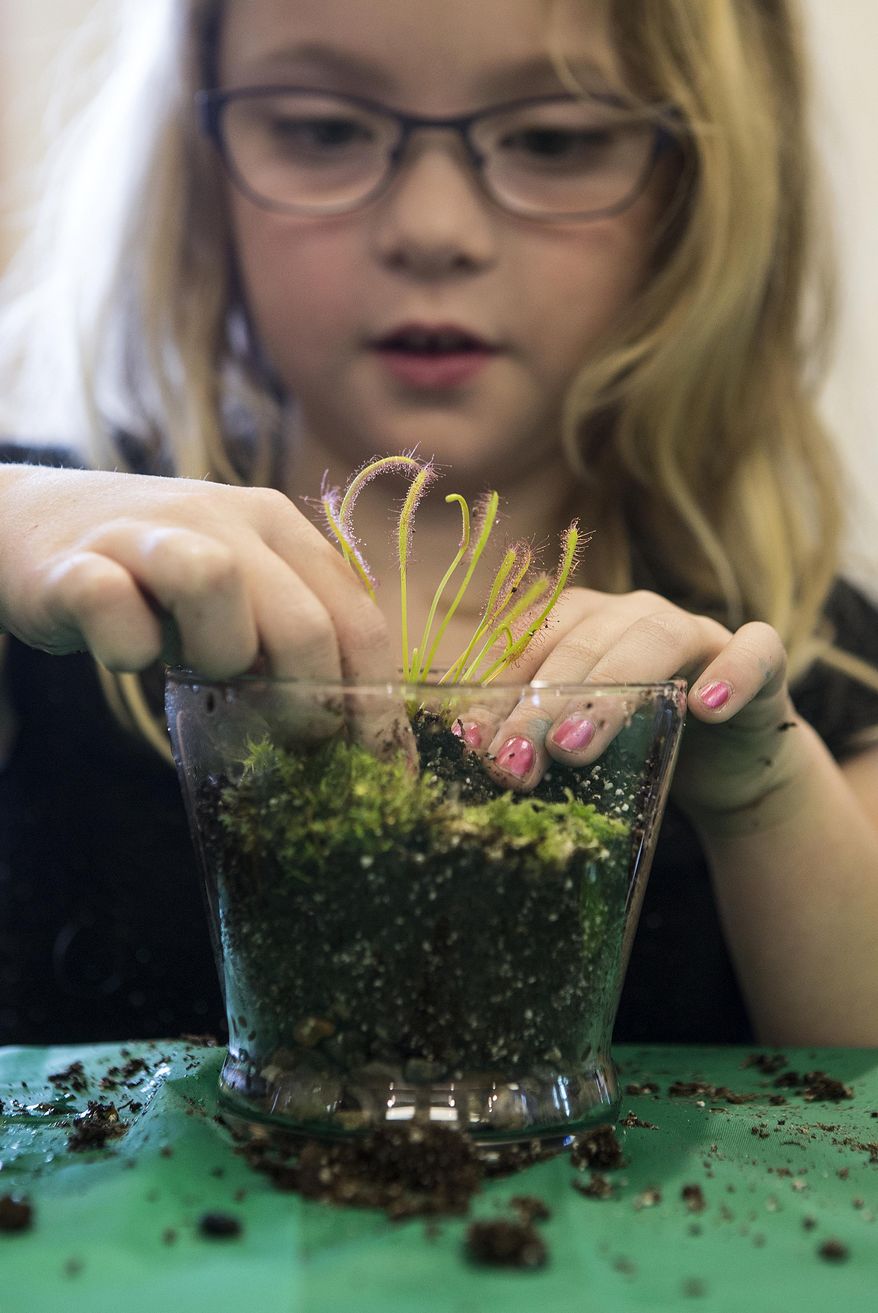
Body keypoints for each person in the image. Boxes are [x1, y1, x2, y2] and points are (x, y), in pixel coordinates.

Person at [0, 0, 875, 1050]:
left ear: (697, 187)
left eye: (555, 139)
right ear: (199, 161)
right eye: (322, 128)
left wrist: (768, 801)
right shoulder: (56, 588)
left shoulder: (806, 668)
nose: (432, 230)